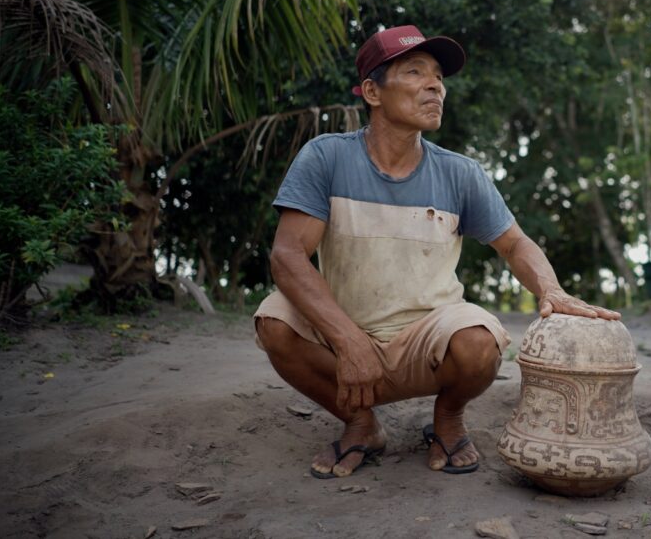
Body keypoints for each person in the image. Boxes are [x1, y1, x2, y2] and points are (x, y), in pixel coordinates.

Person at [254, 24, 619, 479]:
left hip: (426, 341)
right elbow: (287, 256)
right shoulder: (326, 157)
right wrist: (348, 340)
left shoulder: (460, 173)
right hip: (341, 340)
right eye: (415, 72)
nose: (435, 86)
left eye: (439, 77)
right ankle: (360, 423)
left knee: (480, 343)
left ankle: (447, 418)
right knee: (274, 321)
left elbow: (514, 242)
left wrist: (551, 288)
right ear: (372, 91)